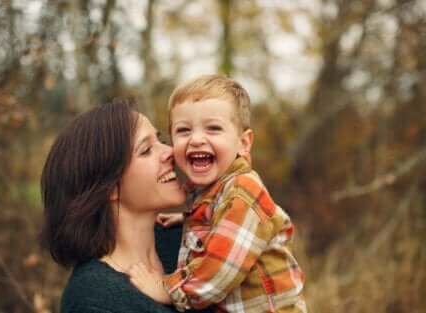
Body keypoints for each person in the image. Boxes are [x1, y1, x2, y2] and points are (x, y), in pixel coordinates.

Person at [129, 75, 307, 313]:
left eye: (213, 128)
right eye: (183, 130)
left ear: (243, 143)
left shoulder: (243, 192)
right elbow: (221, 223)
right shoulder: (214, 194)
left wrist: (165, 289)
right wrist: (188, 219)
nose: (197, 139)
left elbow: (218, 272)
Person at [39, 98, 211, 313]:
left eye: (161, 140)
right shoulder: (92, 299)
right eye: (146, 150)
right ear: (109, 186)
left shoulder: (194, 241)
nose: (171, 151)